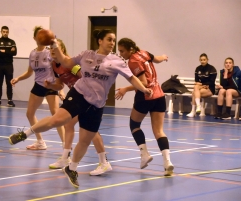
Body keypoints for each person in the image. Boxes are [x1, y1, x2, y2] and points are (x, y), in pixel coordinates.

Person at [8, 29, 152, 188]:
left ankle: (72, 168)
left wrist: (144, 89)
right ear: (100, 41)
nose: (112, 43)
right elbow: (66, 62)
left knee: (85, 140)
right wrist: (54, 44)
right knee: (58, 119)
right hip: (79, 93)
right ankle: (25, 134)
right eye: (109, 39)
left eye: (113, 40)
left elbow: (131, 77)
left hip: (97, 104)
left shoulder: (117, 61)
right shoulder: (86, 55)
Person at [49, 38, 112, 175]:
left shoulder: (71, 64)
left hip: (84, 97)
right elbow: (60, 84)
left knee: (90, 130)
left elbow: (85, 76)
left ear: (62, 50)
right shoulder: (54, 65)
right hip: (75, 97)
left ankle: (104, 162)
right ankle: (66, 157)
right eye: (51, 48)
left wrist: (83, 93)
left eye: (55, 47)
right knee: (69, 125)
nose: (52, 50)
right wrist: (58, 90)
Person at [116, 38, 174, 177]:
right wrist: (164, 56)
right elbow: (158, 59)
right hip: (159, 96)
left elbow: (143, 82)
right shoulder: (144, 53)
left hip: (145, 96)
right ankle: (167, 163)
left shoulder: (133, 61)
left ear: (130, 49)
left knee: (134, 124)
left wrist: (125, 89)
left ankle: (144, 154)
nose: (121, 54)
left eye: (122, 51)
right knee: (159, 131)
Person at [10, 26, 65, 150]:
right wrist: (18, 78)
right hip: (38, 85)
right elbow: (30, 72)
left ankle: (65, 145)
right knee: (29, 114)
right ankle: (40, 142)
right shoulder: (33, 53)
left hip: (51, 85)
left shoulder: (49, 52)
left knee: (55, 114)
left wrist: (60, 89)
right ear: (35, 38)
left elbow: (58, 71)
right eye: (39, 35)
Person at [0, 26, 17, 107]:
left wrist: (4, 51)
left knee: (9, 83)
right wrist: (9, 51)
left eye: (6, 32)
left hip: (9, 65)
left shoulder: (12, 42)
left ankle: (10, 100)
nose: (5, 33)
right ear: (1, 32)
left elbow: (14, 53)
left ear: (8, 32)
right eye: (3, 31)